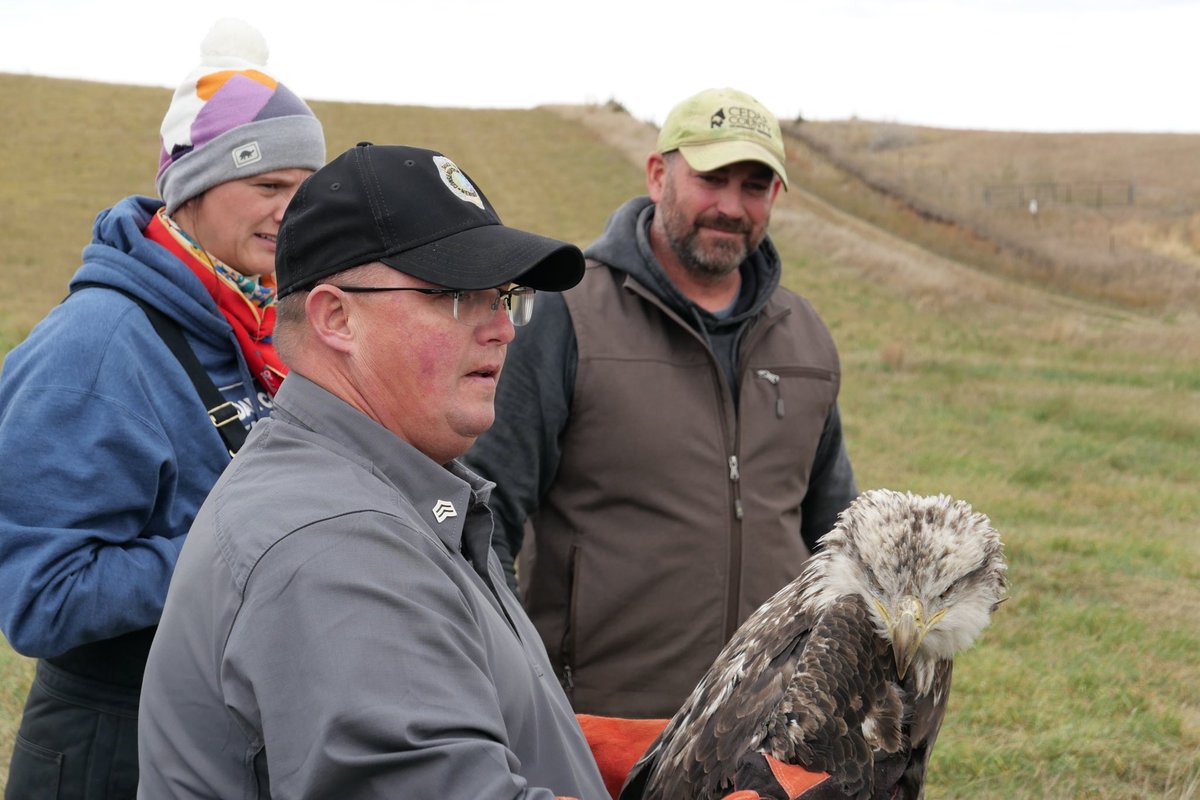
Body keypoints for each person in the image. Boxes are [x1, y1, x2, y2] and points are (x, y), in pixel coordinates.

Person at [0, 19, 324, 798]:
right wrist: (241, 554)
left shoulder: (256, 330)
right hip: (108, 745)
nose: (293, 214)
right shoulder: (96, 351)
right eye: (268, 188)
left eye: (305, 192)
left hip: (220, 731)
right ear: (192, 188)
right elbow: (41, 599)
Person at [464, 87, 859, 719]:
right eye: (711, 178)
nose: (731, 206)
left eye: (755, 186)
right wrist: (523, 688)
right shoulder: (567, 313)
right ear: (657, 174)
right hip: (602, 726)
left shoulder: (805, 334)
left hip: (767, 727)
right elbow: (485, 521)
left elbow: (836, 539)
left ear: (775, 198)